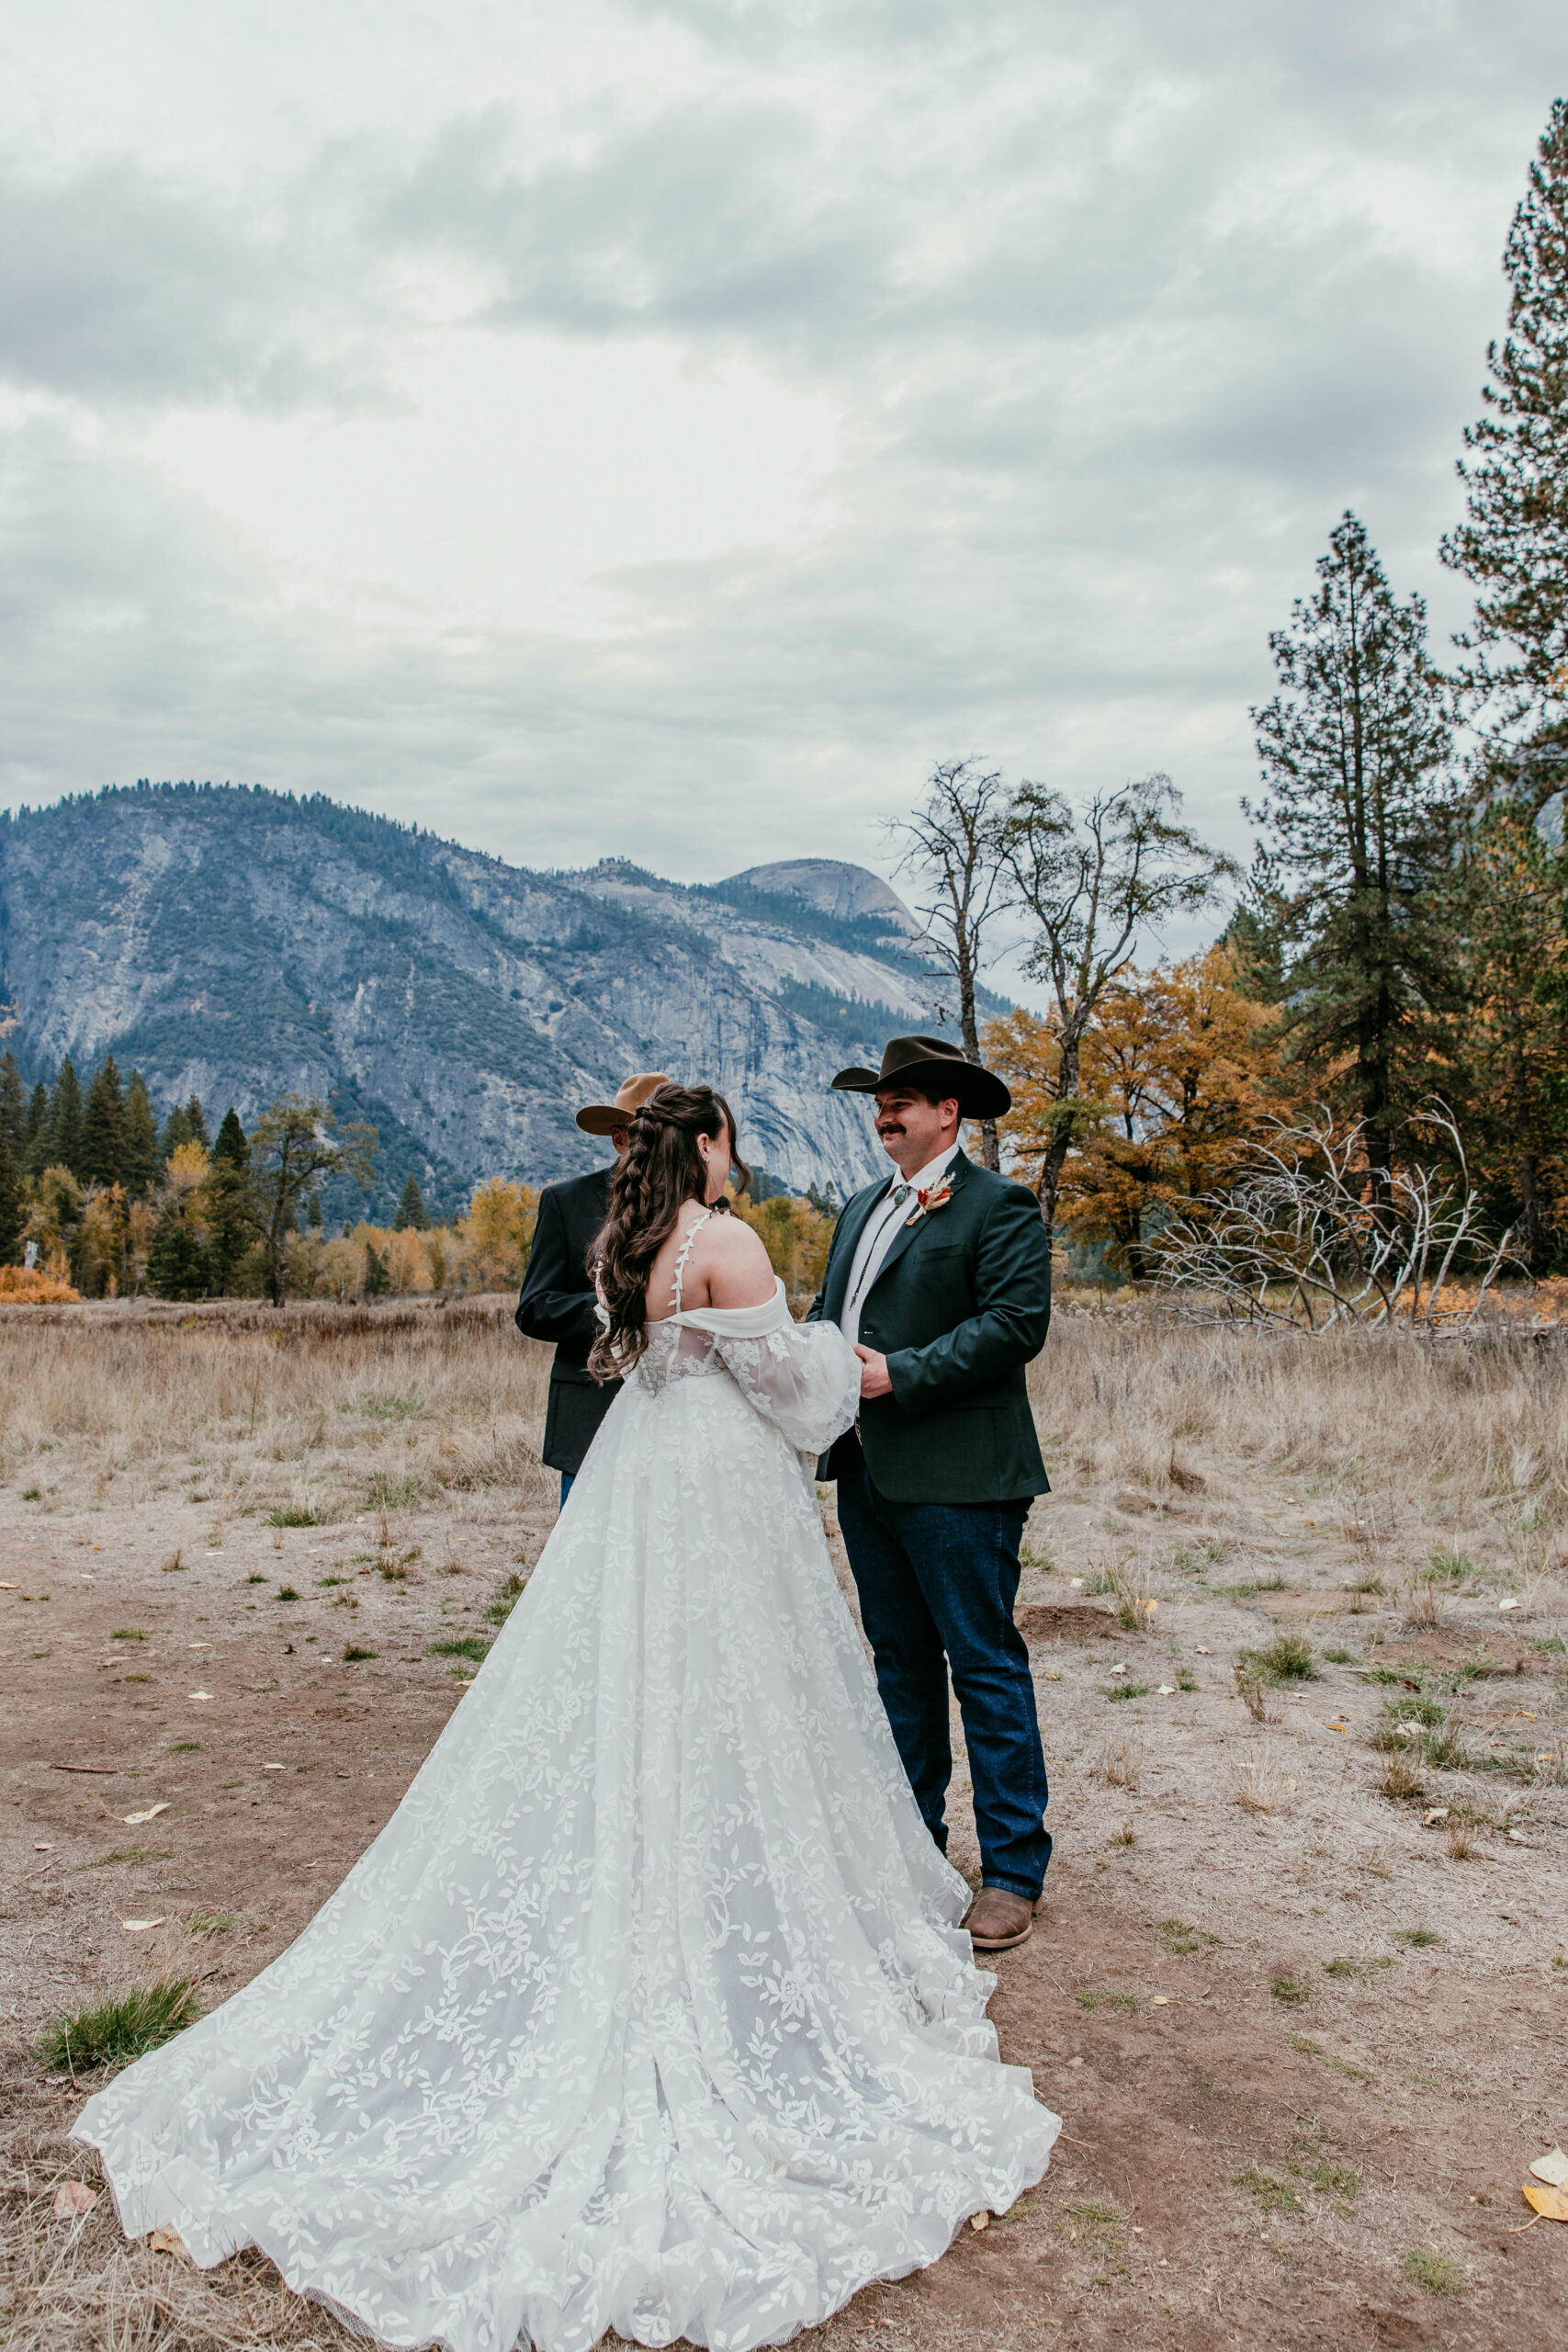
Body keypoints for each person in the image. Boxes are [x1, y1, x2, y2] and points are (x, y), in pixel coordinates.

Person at [74, 1080, 1058, 2352]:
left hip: (641, 1482)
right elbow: (794, 1394)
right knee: (753, 1688)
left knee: (657, 1684)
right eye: (731, 1141)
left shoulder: (632, 1239)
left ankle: (715, 1844)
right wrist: (836, 1367)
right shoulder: (729, 1237)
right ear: (709, 1145)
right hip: (715, 1496)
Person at [808, 1035, 1054, 1954]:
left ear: (948, 1112)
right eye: (879, 1100)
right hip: (868, 1471)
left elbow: (1016, 1324)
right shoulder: (862, 1208)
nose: (884, 1113)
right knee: (900, 1666)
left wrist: (900, 1374)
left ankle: (1015, 1871)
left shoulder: (1001, 1206)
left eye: (900, 1099)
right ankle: (912, 1848)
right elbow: (833, 1321)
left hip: (961, 1477)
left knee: (983, 1665)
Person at [515, 1071, 669, 1507]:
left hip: (673, 1416)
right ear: (620, 1139)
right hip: (590, 1414)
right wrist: (613, 1311)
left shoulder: (699, 1208)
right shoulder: (566, 1202)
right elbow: (534, 1309)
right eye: (649, 1133)